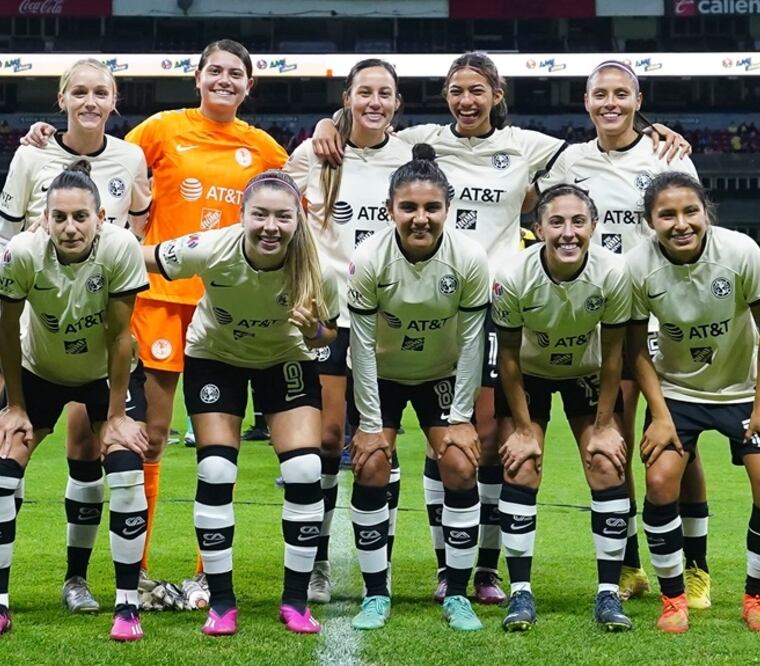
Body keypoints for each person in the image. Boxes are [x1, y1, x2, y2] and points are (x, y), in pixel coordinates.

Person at [313, 52, 689, 605]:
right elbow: (366, 124)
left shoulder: (533, 148)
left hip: (494, 306)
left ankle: (482, 569)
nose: (467, 101)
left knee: (483, 444)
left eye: (478, 90)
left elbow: (597, 156)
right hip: (419, 303)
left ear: (497, 95)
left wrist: (654, 132)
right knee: (418, 441)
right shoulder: (422, 141)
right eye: (457, 91)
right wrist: (331, 121)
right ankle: (389, 567)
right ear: (446, 97)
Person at [23, 41, 289, 598]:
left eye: (235, 74)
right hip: (160, 298)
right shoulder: (162, 129)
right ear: (197, 77)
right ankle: (138, 573)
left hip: (229, 304)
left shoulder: (263, 148)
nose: (224, 80)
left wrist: (331, 130)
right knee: (151, 438)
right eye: (214, 70)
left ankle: (204, 571)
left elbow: (297, 201)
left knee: (223, 442)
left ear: (248, 86)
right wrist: (43, 140)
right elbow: (98, 157)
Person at [0, 58, 152, 616]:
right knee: (7, 440)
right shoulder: (30, 153)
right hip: (34, 325)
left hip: (98, 330)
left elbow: (135, 231)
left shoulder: (129, 156)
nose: (90, 101)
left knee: (87, 453)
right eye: (80, 92)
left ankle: (77, 580)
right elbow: (3, 238)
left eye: (101, 92)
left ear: (115, 101)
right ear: (61, 98)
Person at [535, 60, 708, 605]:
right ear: (586, 102)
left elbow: (689, 230)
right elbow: (536, 209)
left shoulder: (667, 155)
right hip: (600, 318)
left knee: (677, 439)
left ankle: (696, 564)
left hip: (659, 317)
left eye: (621, 94)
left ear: (638, 99)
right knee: (619, 439)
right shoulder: (568, 160)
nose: (610, 103)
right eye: (600, 94)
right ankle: (630, 563)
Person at [142, 170, 339, 635]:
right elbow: (143, 257)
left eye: (283, 217)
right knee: (215, 471)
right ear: (242, 216)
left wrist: (313, 330)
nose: (271, 226)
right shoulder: (212, 247)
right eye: (261, 215)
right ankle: (222, 602)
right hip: (216, 358)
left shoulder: (317, 270)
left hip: (284, 359)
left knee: (306, 472)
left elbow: (328, 332)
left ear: (298, 220)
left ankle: (295, 601)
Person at [627, 172, 760, 634]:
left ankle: (757, 601)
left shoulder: (739, 251)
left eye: (690, 211)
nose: (681, 223)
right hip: (677, 392)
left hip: (744, 391)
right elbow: (636, 347)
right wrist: (659, 416)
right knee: (660, 482)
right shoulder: (637, 266)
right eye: (667, 214)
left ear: (706, 213)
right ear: (649, 221)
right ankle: (673, 598)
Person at [284, 58, 414, 603]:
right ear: (349, 96)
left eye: (385, 93)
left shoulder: (413, 157)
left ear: (397, 102)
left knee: (381, 441)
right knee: (329, 439)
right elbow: (282, 217)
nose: (375, 102)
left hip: (388, 321)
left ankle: (377, 563)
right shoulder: (313, 153)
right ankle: (315, 562)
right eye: (365, 92)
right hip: (328, 322)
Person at [345, 144, 490, 632]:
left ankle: (456, 590)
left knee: (459, 464)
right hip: (380, 375)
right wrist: (368, 425)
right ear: (391, 210)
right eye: (409, 207)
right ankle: (376, 593)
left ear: (448, 209)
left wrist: (462, 417)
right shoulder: (369, 259)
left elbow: (473, 342)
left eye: (432, 207)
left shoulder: (469, 258)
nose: (421, 218)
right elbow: (361, 347)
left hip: (441, 374)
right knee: (370, 466)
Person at [491, 184, 634, 632]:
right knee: (521, 466)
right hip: (528, 374)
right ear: (538, 229)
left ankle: (609, 594)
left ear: (593, 227)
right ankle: (520, 594)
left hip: (586, 372)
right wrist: (522, 429)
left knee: (607, 464)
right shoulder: (512, 274)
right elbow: (508, 357)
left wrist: (606, 424)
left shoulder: (614, 272)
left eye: (578, 222)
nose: (567, 232)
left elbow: (614, 353)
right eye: (556, 222)